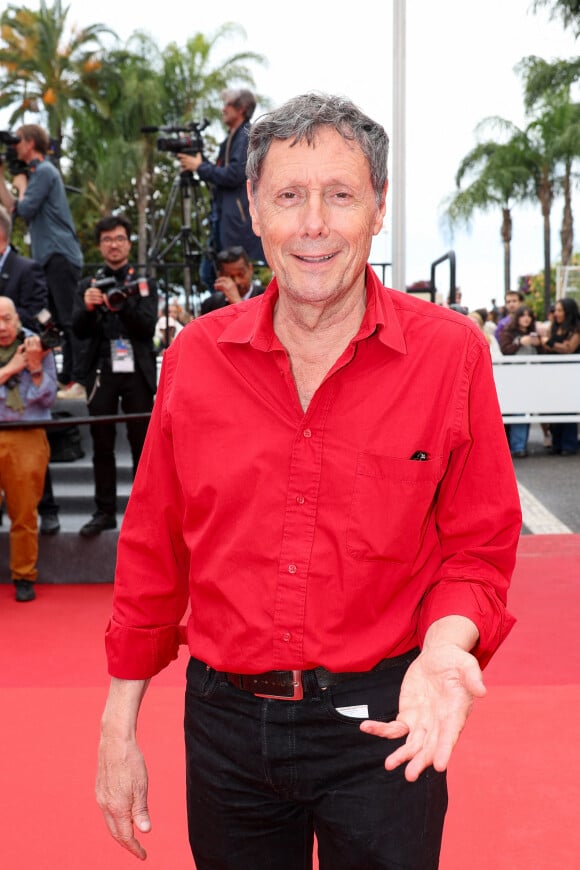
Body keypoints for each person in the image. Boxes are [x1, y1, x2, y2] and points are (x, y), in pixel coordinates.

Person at [96, 93, 520, 870]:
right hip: (223, 730)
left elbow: (477, 550)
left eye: (341, 195)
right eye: (289, 196)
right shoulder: (195, 358)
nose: (314, 224)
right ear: (254, 208)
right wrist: (118, 727)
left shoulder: (450, 355)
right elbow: (154, 546)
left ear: (379, 208)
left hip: (386, 726)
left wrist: (446, 647)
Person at [72, 215, 157, 537]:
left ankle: (145, 515)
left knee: (142, 448)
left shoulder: (143, 281)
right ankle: (104, 511)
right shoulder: (88, 285)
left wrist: (123, 303)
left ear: (129, 242)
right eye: (107, 240)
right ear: (99, 246)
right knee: (102, 444)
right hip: (102, 370)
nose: (114, 245)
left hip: (137, 371)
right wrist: (88, 307)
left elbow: (147, 328)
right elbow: (78, 331)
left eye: (120, 238)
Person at [0, 124, 85, 399]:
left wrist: (21, 186)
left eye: (18, 141)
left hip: (59, 254)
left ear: (31, 143)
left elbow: (24, 208)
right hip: (47, 256)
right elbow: (13, 209)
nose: (14, 146)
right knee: (52, 320)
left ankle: (78, 380)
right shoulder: (38, 172)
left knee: (69, 317)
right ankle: (64, 377)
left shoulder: (45, 171)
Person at [0, 204, 61, 535]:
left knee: (33, 449)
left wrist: (7, 316)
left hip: (26, 355)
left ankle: (47, 507)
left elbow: (38, 309)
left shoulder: (26, 267)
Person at [0, 296, 57, 601]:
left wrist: (34, 368)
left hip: (28, 436)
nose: (2, 327)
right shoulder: (15, 356)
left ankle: (24, 575)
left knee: (24, 512)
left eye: (7, 319)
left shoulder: (39, 348)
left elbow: (48, 399)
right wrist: (11, 369)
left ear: (18, 320)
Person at [177, 88, 265, 278]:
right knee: (210, 273)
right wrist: (198, 164)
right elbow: (222, 172)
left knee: (214, 274)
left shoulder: (245, 136)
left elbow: (234, 174)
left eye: (227, 105)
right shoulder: (231, 139)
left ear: (241, 109)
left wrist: (200, 168)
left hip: (237, 224)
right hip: (224, 218)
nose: (222, 109)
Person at [498, 304, 545, 457]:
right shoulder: (508, 333)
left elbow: (544, 355)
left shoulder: (535, 334)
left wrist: (540, 345)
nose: (526, 318)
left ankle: (520, 445)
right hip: (514, 378)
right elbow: (505, 350)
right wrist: (519, 342)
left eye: (529, 315)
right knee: (517, 411)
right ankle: (517, 447)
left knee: (526, 411)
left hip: (533, 378)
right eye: (523, 315)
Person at [542, 297, 580, 455]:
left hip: (571, 373)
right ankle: (557, 443)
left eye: (559, 310)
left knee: (569, 408)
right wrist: (552, 343)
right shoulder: (553, 327)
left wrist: (550, 343)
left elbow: (569, 348)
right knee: (554, 408)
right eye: (555, 310)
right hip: (553, 373)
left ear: (568, 312)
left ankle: (569, 444)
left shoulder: (576, 328)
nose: (556, 313)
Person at [200, 244, 265, 314]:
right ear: (220, 276)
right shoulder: (211, 304)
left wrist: (237, 301)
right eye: (230, 277)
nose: (237, 281)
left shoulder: (266, 296)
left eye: (241, 275)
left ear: (250, 269)